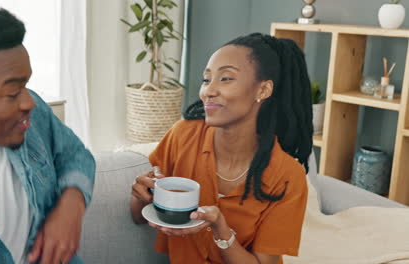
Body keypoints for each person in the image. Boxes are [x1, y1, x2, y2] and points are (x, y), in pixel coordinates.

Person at [131, 32, 313, 264]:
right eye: (206, 80)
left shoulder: (287, 176)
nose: (208, 90)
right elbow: (138, 216)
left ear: (263, 90)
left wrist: (221, 231)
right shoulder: (182, 136)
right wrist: (140, 195)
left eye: (225, 78)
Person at [0, 0, 95, 263]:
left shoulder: (31, 118)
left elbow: (73, 153)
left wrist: (72, 204)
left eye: (26, 85)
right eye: (13, 92)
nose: (29, 102)